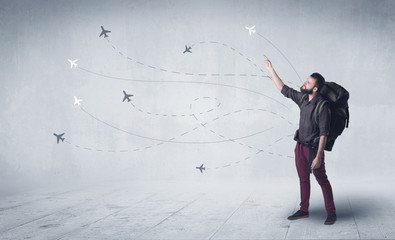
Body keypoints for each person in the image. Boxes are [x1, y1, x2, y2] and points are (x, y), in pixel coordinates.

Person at [263, 55, 337, 225]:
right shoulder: (303, 99)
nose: (305, 83)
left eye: (308, 83)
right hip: (299, 147)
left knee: (322, 180)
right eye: (306, 81)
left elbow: (324, 134)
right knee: (303, 179)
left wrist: (318, 156)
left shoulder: (323, 106)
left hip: (313, 150)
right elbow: (284, 89)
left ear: (316, 89)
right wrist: (271, 69)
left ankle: (331, 212)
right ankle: (304, 210)